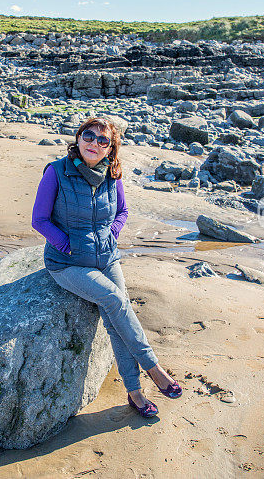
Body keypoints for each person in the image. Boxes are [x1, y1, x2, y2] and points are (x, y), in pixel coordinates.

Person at [31, 116, 182, 418]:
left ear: (111, 148)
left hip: (107, 258)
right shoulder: (56, 172)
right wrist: (67, 245)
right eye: (89, 136)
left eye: (103, 140)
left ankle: (134, 392)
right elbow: (39, 220)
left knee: (115, 322)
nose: (94, 144)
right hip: (68, 263)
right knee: (114, 299)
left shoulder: (113, 174)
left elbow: (123, 211)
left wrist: (111, 233)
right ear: (78, 137)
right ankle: (153, 367)